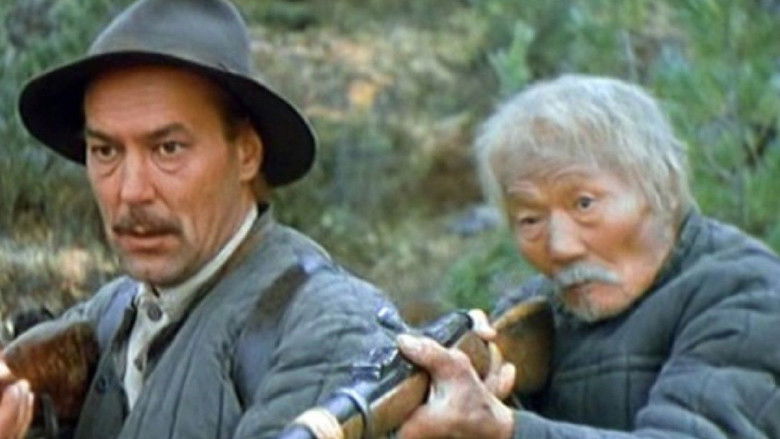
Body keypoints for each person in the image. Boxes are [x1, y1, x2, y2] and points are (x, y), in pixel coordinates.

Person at [4, 0, 395, 437]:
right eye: (106, 151)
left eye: (167, 149)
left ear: (246, 153)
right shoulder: (110, 311)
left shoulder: (326, 327)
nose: (131, 191)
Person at [396, 75, 780, 438]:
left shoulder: (747, 294)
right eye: (530, 220)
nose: (561, 247)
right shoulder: (537, 310)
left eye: (584, 204)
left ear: (661, 188)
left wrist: (505, 429)